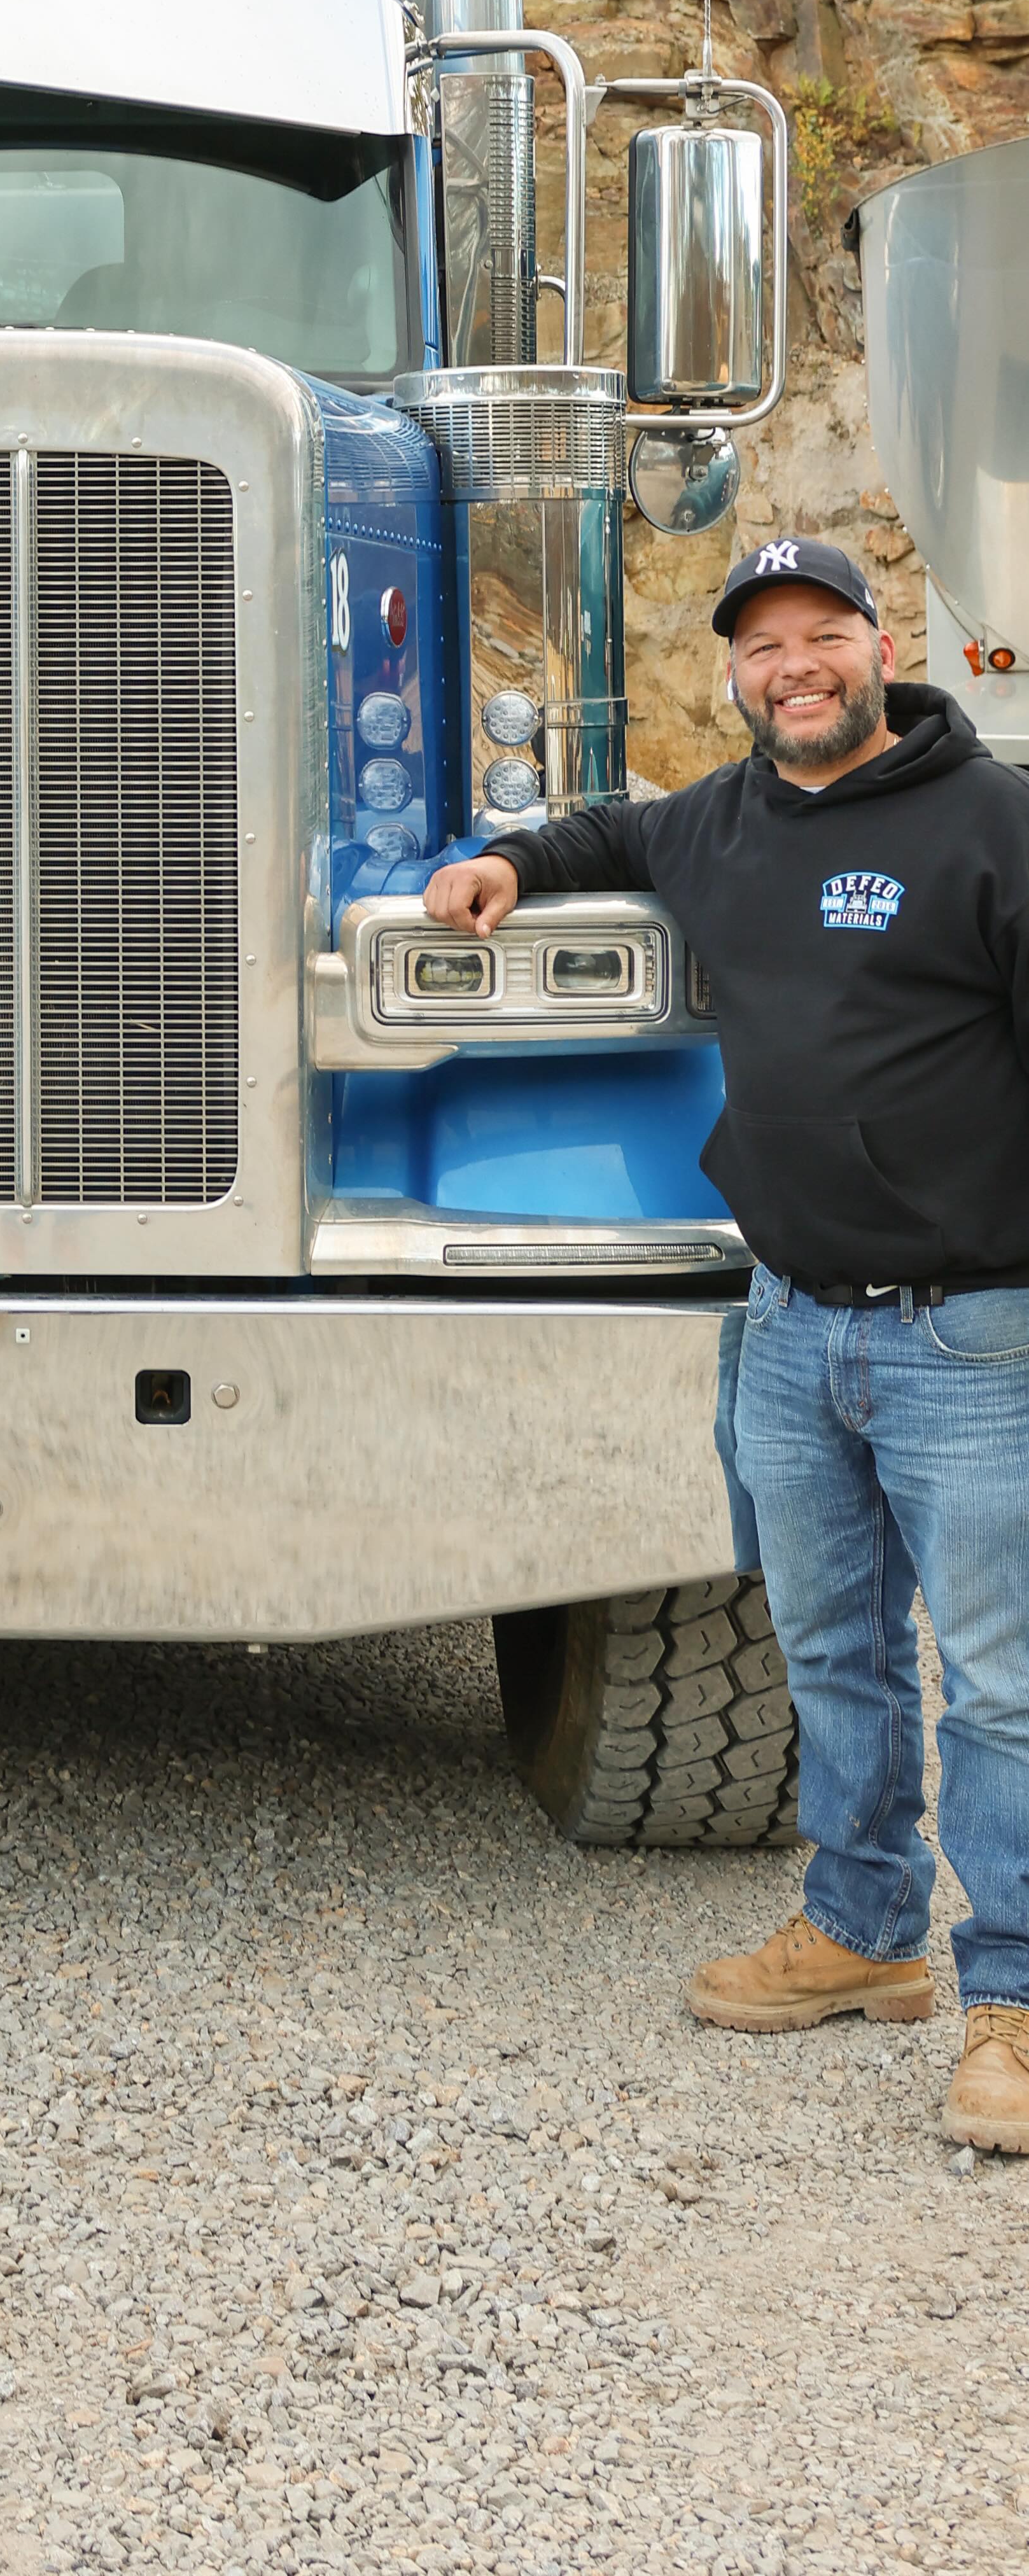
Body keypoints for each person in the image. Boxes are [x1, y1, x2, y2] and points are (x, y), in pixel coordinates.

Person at [423, 536, 1029, 2153]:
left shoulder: (995, 828)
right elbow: (617, 827)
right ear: (739, 677)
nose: (795, 668)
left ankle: (1018, 2011)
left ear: (881, 644)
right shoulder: (726, 818)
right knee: (829, 1653)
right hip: (786, 1330)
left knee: (1001, 1688)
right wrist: (515, 862)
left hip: (970, 1338)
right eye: (763, 648)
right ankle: (862, 1935)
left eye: (822, 635)